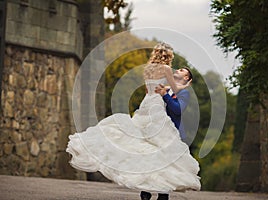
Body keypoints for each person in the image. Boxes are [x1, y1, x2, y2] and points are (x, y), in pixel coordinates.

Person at [66, 42, 201, 200]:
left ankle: (146, 190)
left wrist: (156, 90)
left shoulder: (148, 68)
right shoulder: (166, 69)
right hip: (156, 105)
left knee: (140, 142)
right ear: (168, 56)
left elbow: (146, 89)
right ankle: (158, 188)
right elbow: (174, 89)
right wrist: (181, 86)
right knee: (162, 145)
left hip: (145, 103)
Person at [140, 67, 193, 200]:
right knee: (150, 162)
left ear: (186, 77)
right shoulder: (165, 86)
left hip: (171, 135)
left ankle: (162, 195)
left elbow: (177, 109)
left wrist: (165, 95)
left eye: (182, 70)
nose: (177, 70)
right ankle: (146, 192)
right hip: (155, 132)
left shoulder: (184, 93)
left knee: (165, 166)